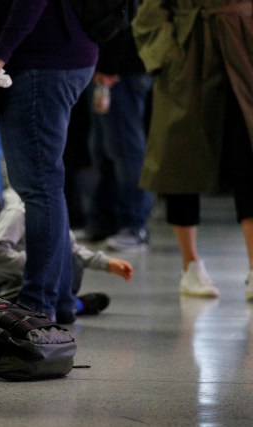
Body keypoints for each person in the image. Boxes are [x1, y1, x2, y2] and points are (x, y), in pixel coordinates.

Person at [0, 1, 98, 322]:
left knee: (39, 189)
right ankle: (59, 299)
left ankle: (37, 304)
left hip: (40, 62)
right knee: (44, 187)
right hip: (47, 58)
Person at [132, 0, 253, 301]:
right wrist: (171, 57)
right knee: (179, 158)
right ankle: (190, 266)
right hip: (189, 54)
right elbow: (151, 11)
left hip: (244, 49)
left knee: (248, 158)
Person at [0, 186, 134, 322]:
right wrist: (39, 265)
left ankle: (66, 305)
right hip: (5, 285)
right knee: (50, 311)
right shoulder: (18, 212)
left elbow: (70, 249)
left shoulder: (54, 209)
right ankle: (75, 305)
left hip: (37, 280)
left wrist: (105, 263)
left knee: (67, 263)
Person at [82, 26, 154, 252]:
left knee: (125, 149)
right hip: (108, 64)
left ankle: (134, 225)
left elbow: (125, 16)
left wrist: (110, 64)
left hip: (122, 68)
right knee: (103, 148)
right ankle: (103, 221)